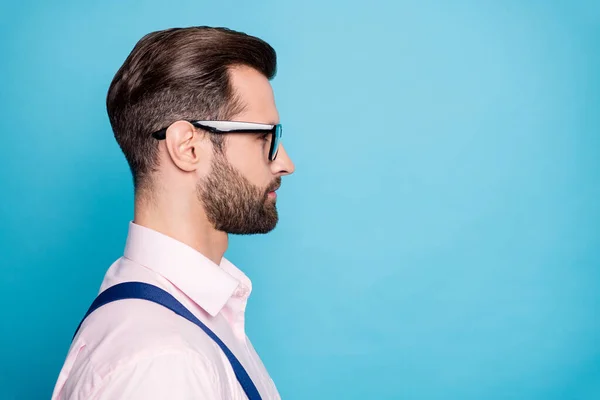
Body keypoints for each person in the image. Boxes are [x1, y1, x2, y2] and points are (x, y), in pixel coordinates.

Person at [51, 26, 295, 400]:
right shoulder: (162, 361)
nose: (285, 163)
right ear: (188, 147)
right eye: (264, 137)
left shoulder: (178, 323)